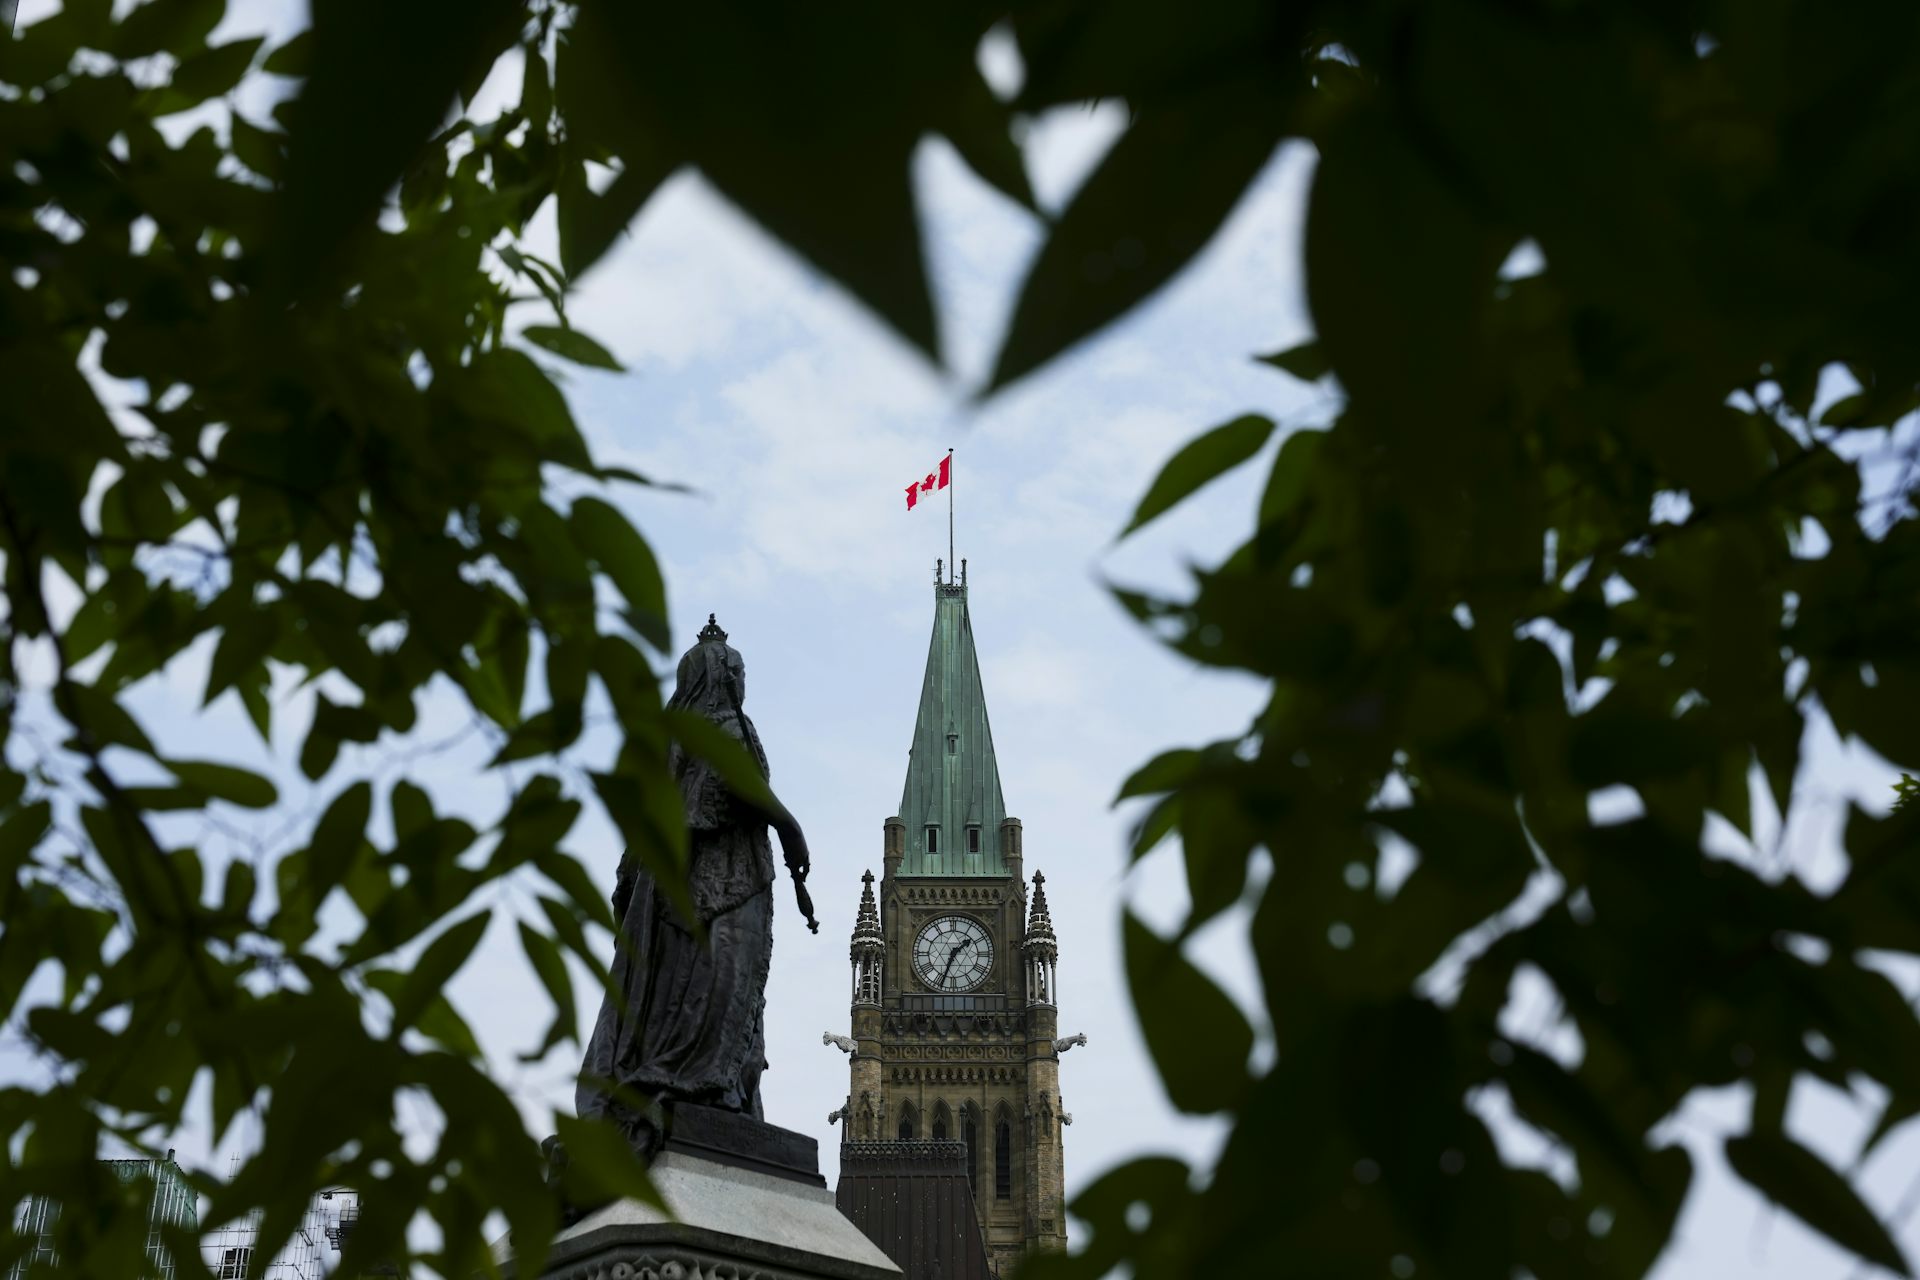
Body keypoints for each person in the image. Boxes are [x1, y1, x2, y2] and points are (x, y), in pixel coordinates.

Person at [576, 614, 812, 1154]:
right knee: (724, 986)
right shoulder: (724, 727)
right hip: (724, 889)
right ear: (724, 676)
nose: (742, 681)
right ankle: (707, 1086)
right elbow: (741, 784)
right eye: (738, 672)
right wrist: (789, 827)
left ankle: (710, 1086)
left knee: (694, 992)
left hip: (678, 901)